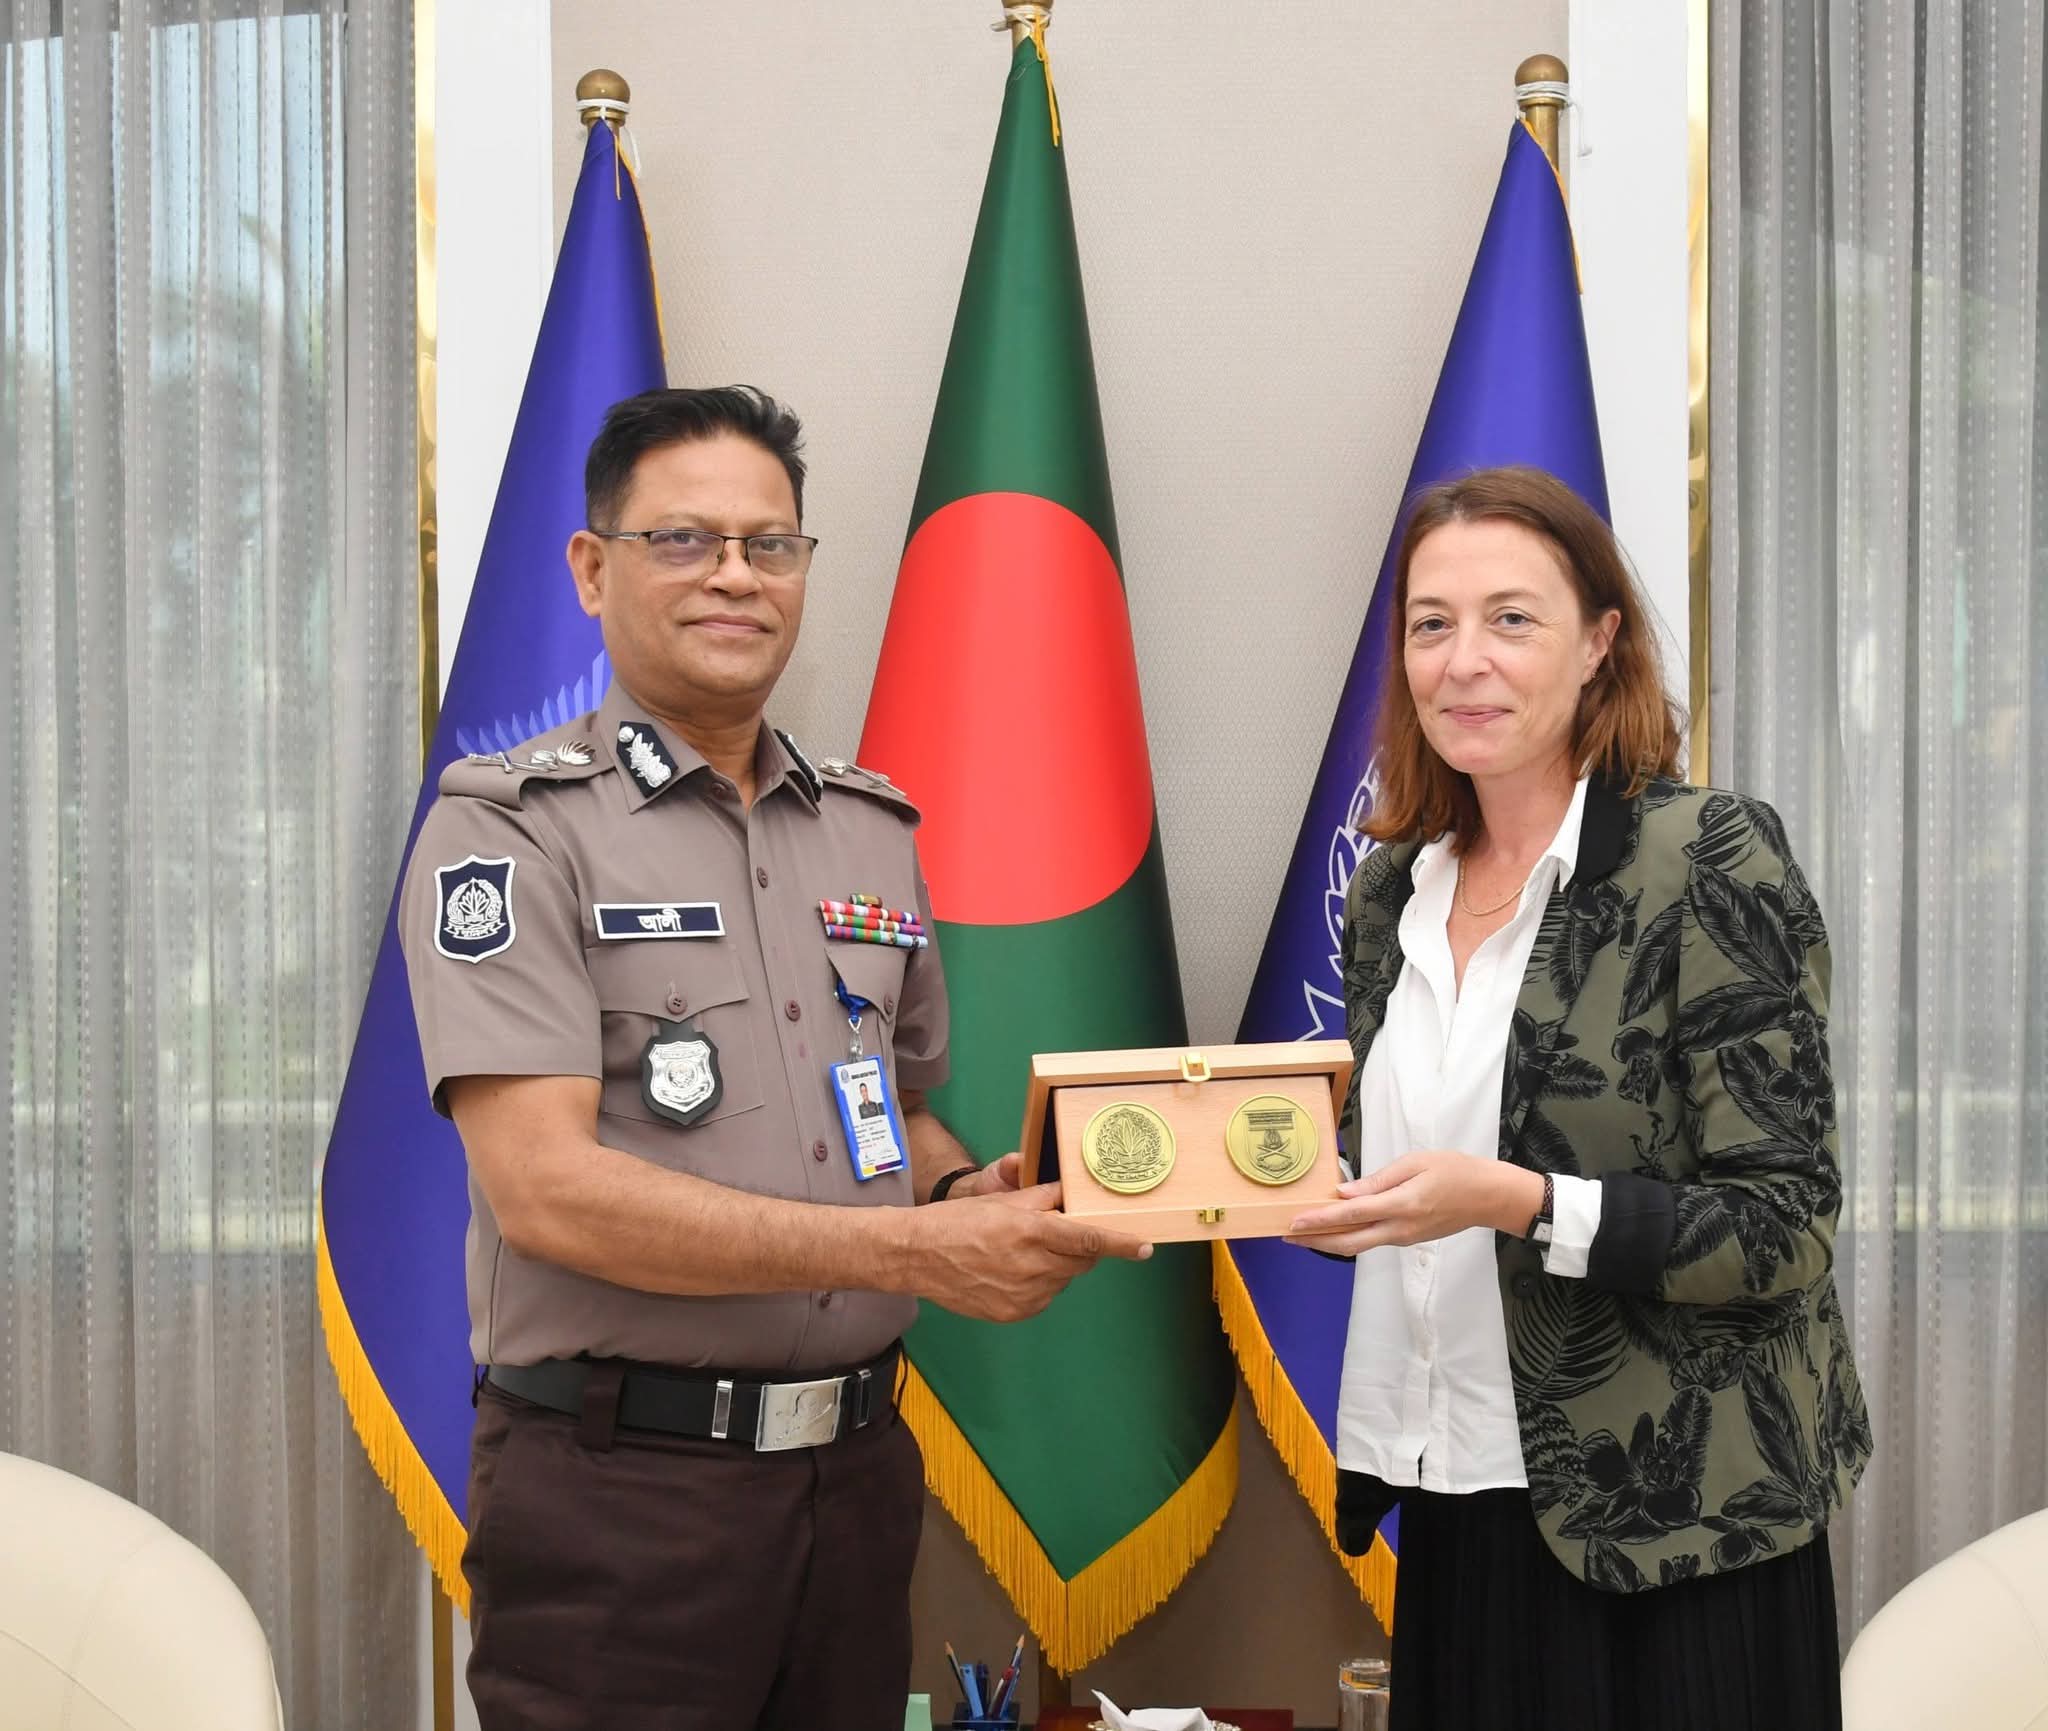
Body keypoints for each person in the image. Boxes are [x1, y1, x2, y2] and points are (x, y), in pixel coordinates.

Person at [399, 385, 1149, 1731]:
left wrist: (961, 1194)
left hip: (855, 1484)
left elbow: (895, 1107)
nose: (735, 575)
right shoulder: (510, 833)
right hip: (624, 1496)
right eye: (684, 539)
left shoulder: (870, 829)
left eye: (770, 543)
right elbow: (546, 1193)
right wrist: (914, 1254)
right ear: (592, 569)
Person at [1285, 466, 1870, 1731]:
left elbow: (1781, 1225)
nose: (1462, 661)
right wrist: (1281, 1185)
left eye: (1510, 618)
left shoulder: (1704, 857)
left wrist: (1517, 1202)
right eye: (1430, 624)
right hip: (1455, 1492)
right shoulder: (1391, 890)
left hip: (1677, 1532)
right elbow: (1394, 1150)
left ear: (1599, 641)